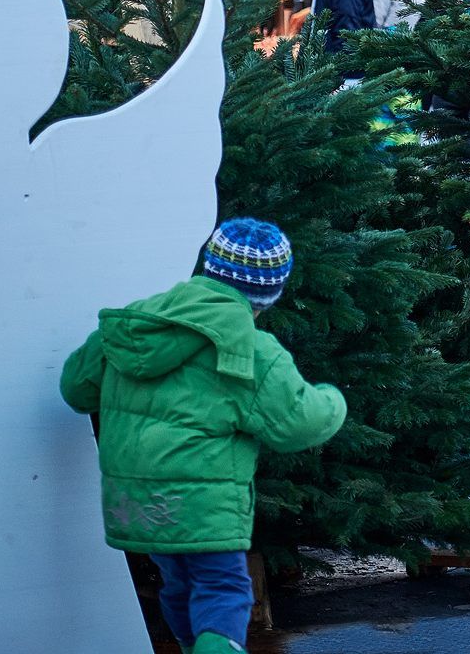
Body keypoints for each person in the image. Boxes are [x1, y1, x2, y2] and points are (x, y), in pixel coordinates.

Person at [60, 219, 347, 654]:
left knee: (178, 583)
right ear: (268, 293)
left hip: (136, 500)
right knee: (224, 587)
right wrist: (332, 398)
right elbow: (297, 424)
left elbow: (76, 388)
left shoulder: (138, 322)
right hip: (204, 505)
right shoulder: (252, 347)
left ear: (208, 267)